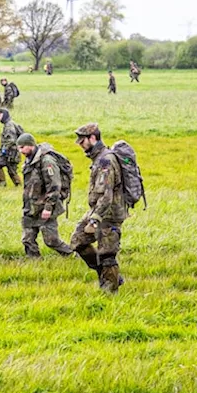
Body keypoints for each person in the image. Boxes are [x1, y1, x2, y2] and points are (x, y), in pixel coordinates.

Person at [69, 123, 128, 293]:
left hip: (108, 214)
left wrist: (95, 220)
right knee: (78, 241)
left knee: (107, 253)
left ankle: (110, 292)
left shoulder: (105, 161)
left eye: (82, 141)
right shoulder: (98, 157)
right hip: (98, 211)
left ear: (93, 138)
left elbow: (106, 195)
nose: (80, 144)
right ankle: (108, 275)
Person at [18, 133, 74, 258]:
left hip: (45, 206)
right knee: (27, 239)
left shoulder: (47, 161)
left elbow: (54, 185)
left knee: (51, 240)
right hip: (31, 206)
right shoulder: (30, 160)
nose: (20, 151)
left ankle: (72, 255)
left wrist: (48, 208)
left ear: (30, 145)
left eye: (22, 147)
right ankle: (34, 262)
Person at [0, 108, 22, 187]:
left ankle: (17, 185)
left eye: (0, 115)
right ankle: (4, 184)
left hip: (10, 152)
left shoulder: (9, 125)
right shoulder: (9, 124)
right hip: (10, 151)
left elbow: (11, 140)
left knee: (11, 170)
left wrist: (4, 150)